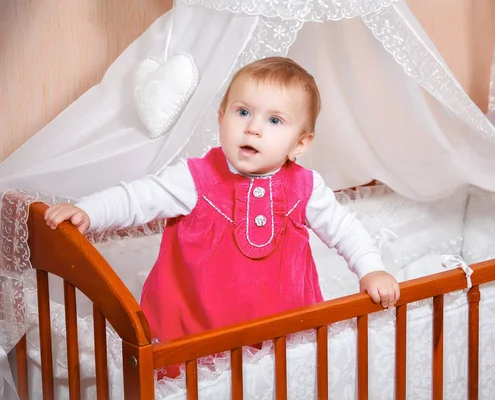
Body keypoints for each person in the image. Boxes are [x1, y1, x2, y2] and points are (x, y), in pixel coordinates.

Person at [44, 57, 400, 350]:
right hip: (195, 331)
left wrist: (371, 269)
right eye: (242, 112)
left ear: (300, 144)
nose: (253, 128)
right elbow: (138, 197)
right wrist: (90, 210)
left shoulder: (306, 188)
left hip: (283, 333)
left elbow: (345, 229)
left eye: (274, 120)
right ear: (221, 118)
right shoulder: (196, 178)